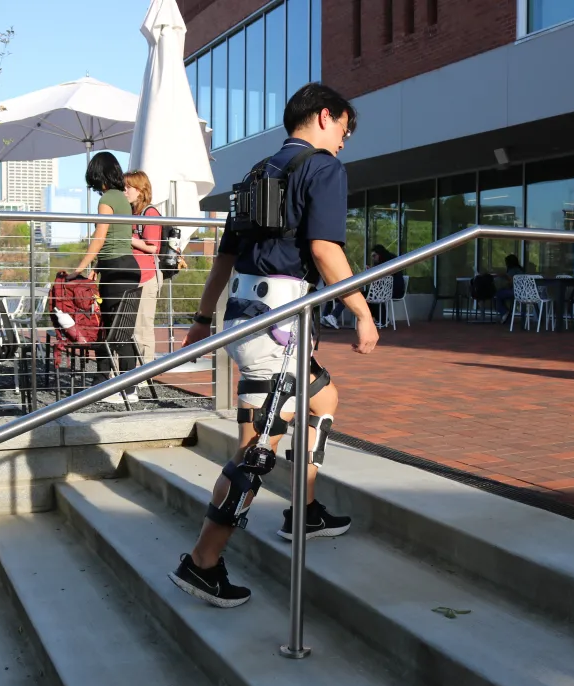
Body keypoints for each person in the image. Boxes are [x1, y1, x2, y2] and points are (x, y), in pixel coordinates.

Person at [168, 83, 378, 608]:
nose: (344, 143)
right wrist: (363, 312)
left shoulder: (258, 173)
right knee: (256, 452)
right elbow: (325, 248)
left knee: (322, 400)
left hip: (251, 318)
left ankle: (304, 510)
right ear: (325, 117)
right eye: (344, 131)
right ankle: (203, 562)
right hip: (278, 324)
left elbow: (224, 258)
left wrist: (201, 319)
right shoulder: (322, 168)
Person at [74, 152, 142, 403]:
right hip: (127, 267)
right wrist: (96, 267)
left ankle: (115, 386)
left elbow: (101, 238)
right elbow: (115, 238)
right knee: (120, 329)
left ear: (96, 173)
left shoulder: (106, 200)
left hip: (116, 269)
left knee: (112, 329)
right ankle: (118, 385)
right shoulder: (123, 199)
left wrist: (80, 268)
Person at [124, 170, 163, 364]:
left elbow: (153, 246)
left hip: (146, 278)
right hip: (133, 278)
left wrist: (129, 239)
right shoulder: (133, 213)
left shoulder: (150, 212)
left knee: (143, 327)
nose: (125, 190)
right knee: (133, 327)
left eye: (128, 187)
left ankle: (144, 372)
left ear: (140, 190)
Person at [320, 244, 404, 329]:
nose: (373, 258)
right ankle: (382, 319)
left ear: (380, 254)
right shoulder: (384, 262)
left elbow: (384, 278)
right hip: (384, 291)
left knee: (353, 294)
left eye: (374, 256)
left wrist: (371, 272)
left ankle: (333, 316)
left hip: (391, 291)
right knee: (357, 295)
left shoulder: (389, 262)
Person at [496, 254, 526, 323]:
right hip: (525, 292)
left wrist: (504, 277)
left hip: (516, 292)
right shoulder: (520, 270)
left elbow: (512, 282)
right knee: (502, 295)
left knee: (498, 294)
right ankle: (506, 314)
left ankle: (504, 312)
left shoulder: (512, 270)